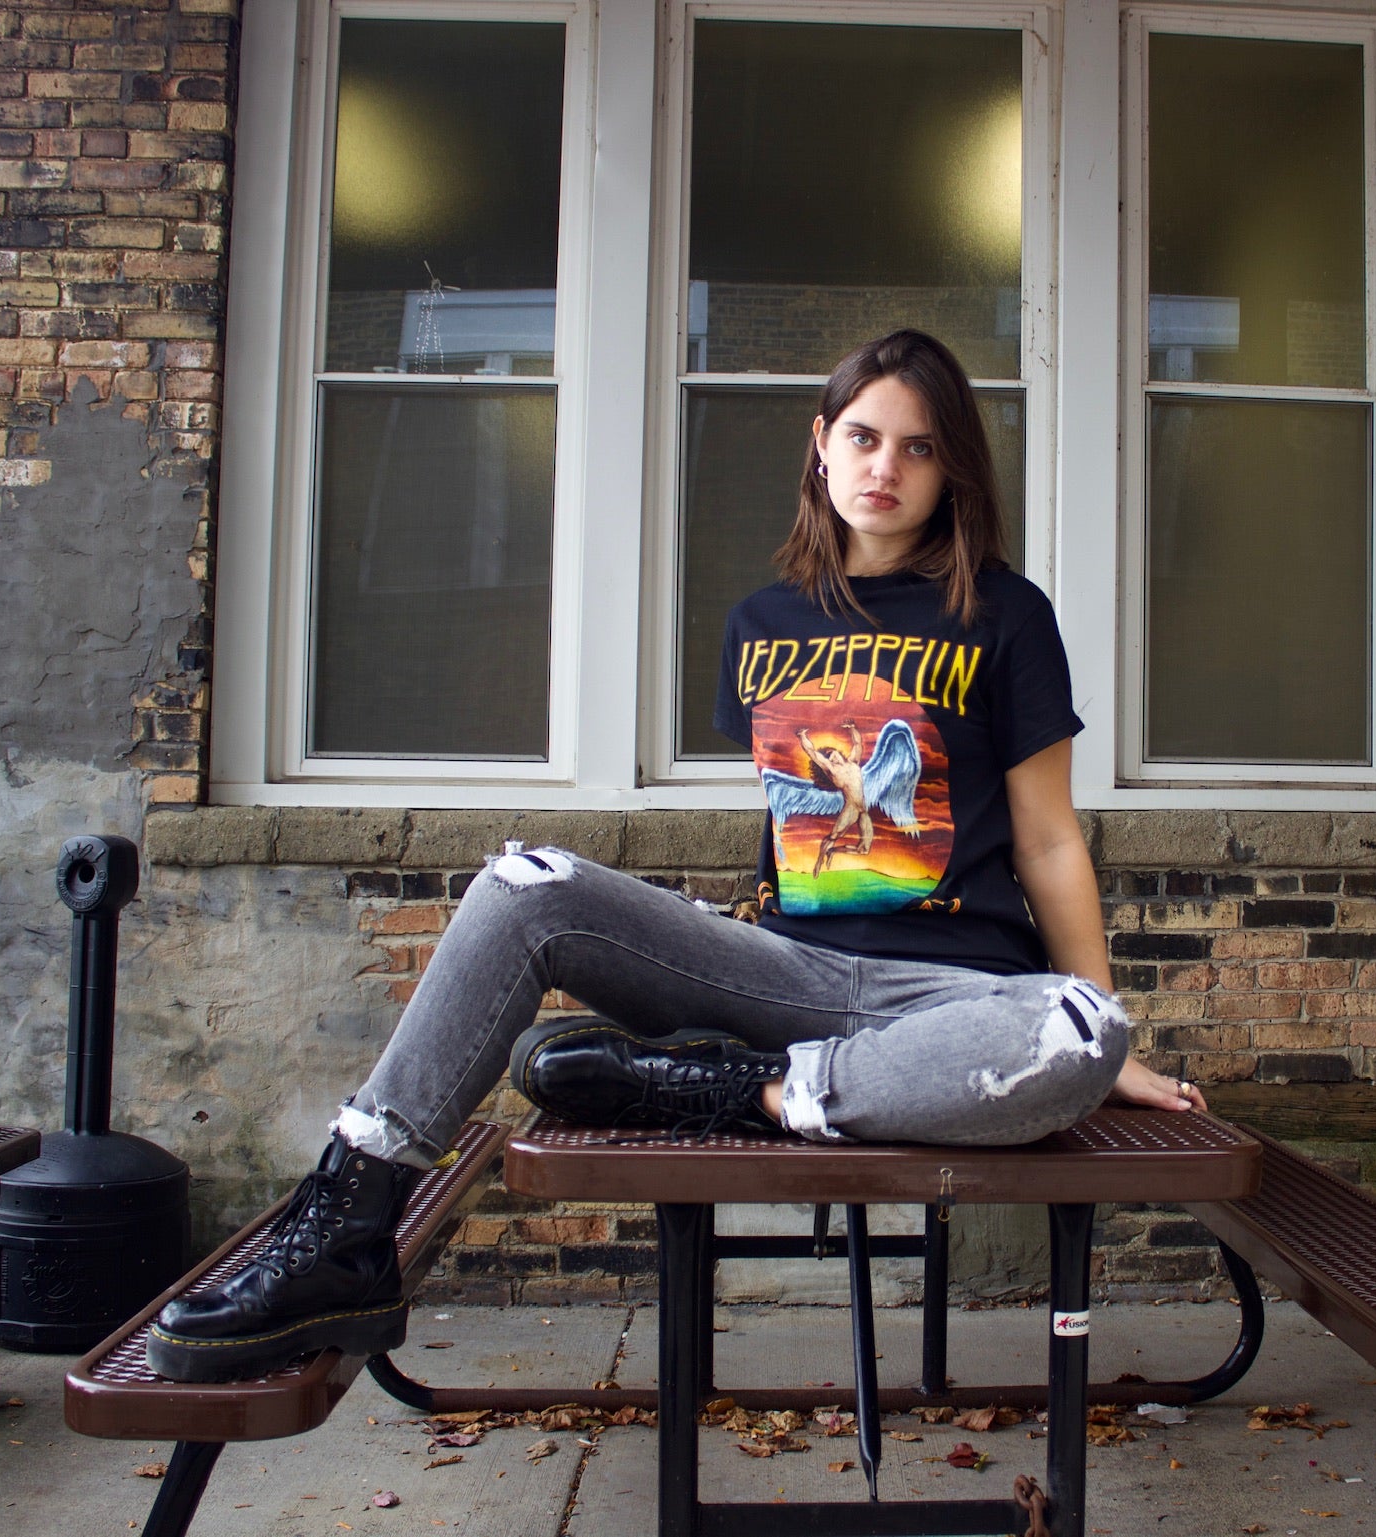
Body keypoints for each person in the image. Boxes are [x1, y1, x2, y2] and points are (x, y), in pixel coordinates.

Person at [145, 329, 1209, 1384]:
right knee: (525, 886)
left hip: (951, 994)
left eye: (920, 448)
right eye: (864, 436)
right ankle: (347, 1220)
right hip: (783, 971)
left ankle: (736, 1089)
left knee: (1078, 1026)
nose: (885, 466)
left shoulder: (1007, 616)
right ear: (820, 445)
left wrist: (1114, 1050)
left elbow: (1048, 836)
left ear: (955, 469)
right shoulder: (763, 620)